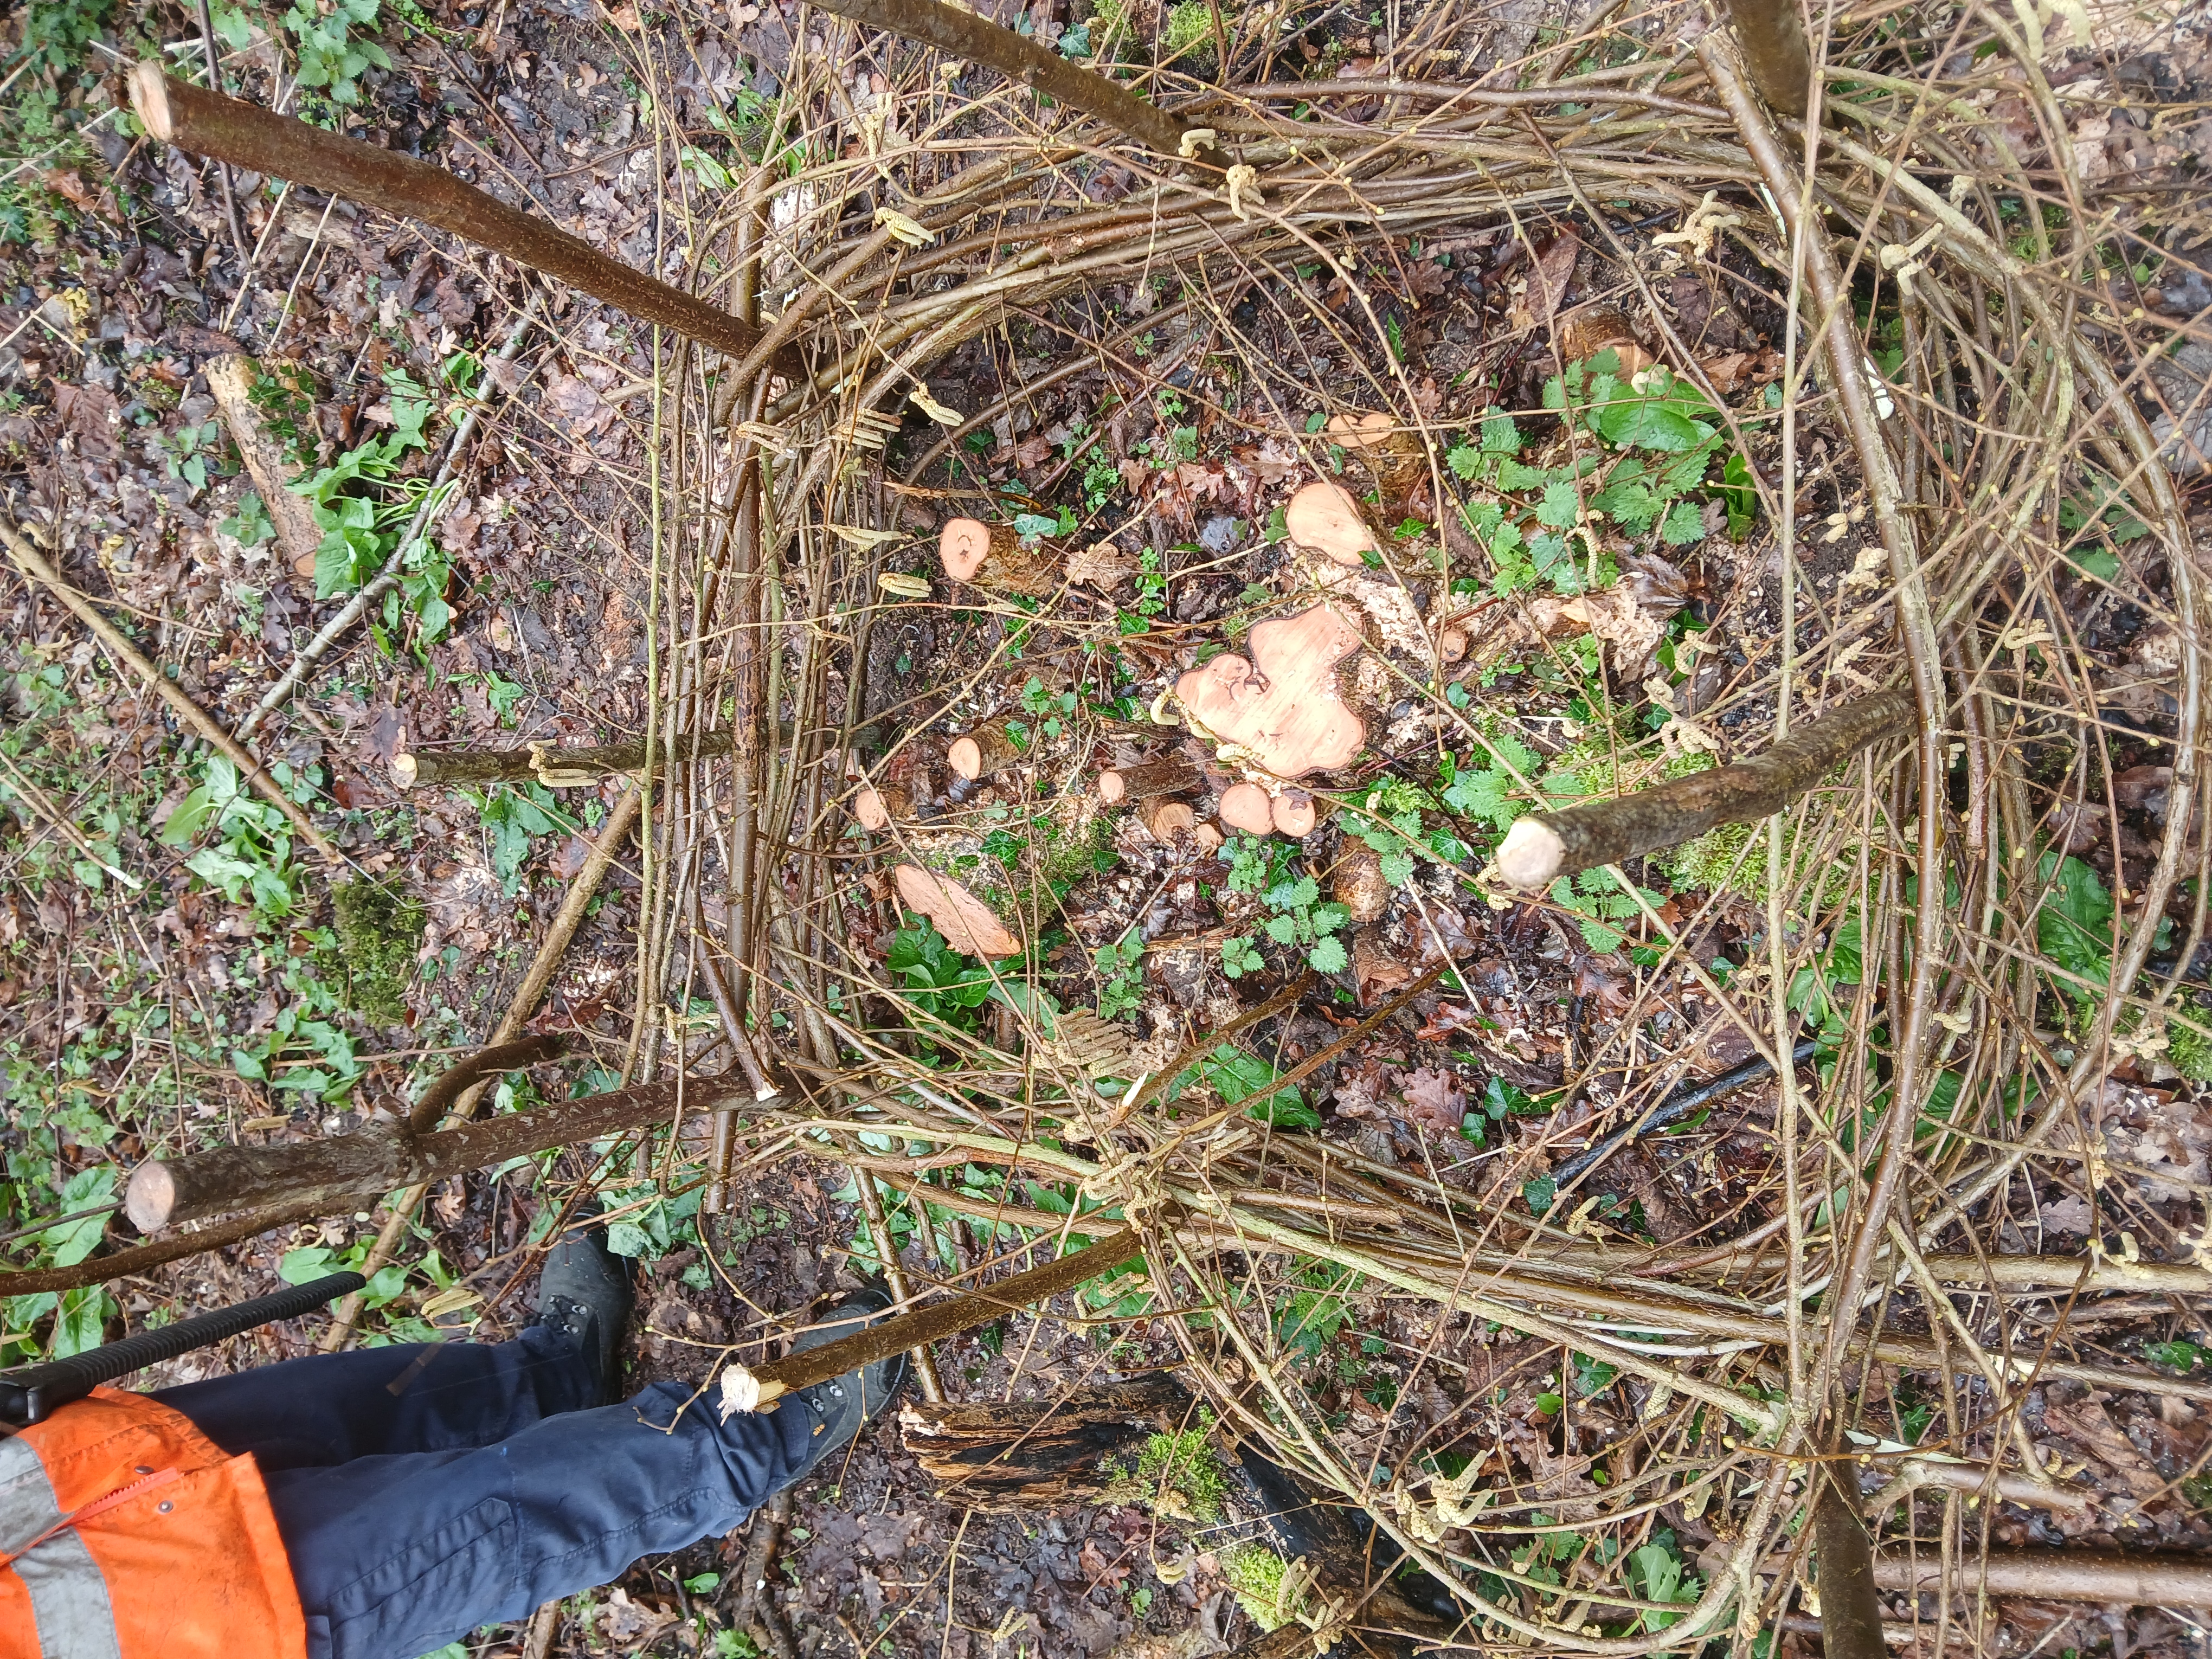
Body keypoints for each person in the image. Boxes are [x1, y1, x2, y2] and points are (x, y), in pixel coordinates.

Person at [0, 1218, 906, 1659]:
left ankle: (553, 1374)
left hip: (82, 1463)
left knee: (355, 1404)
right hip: (194, 1618)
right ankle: (777, 1427)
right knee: (505, 1515)